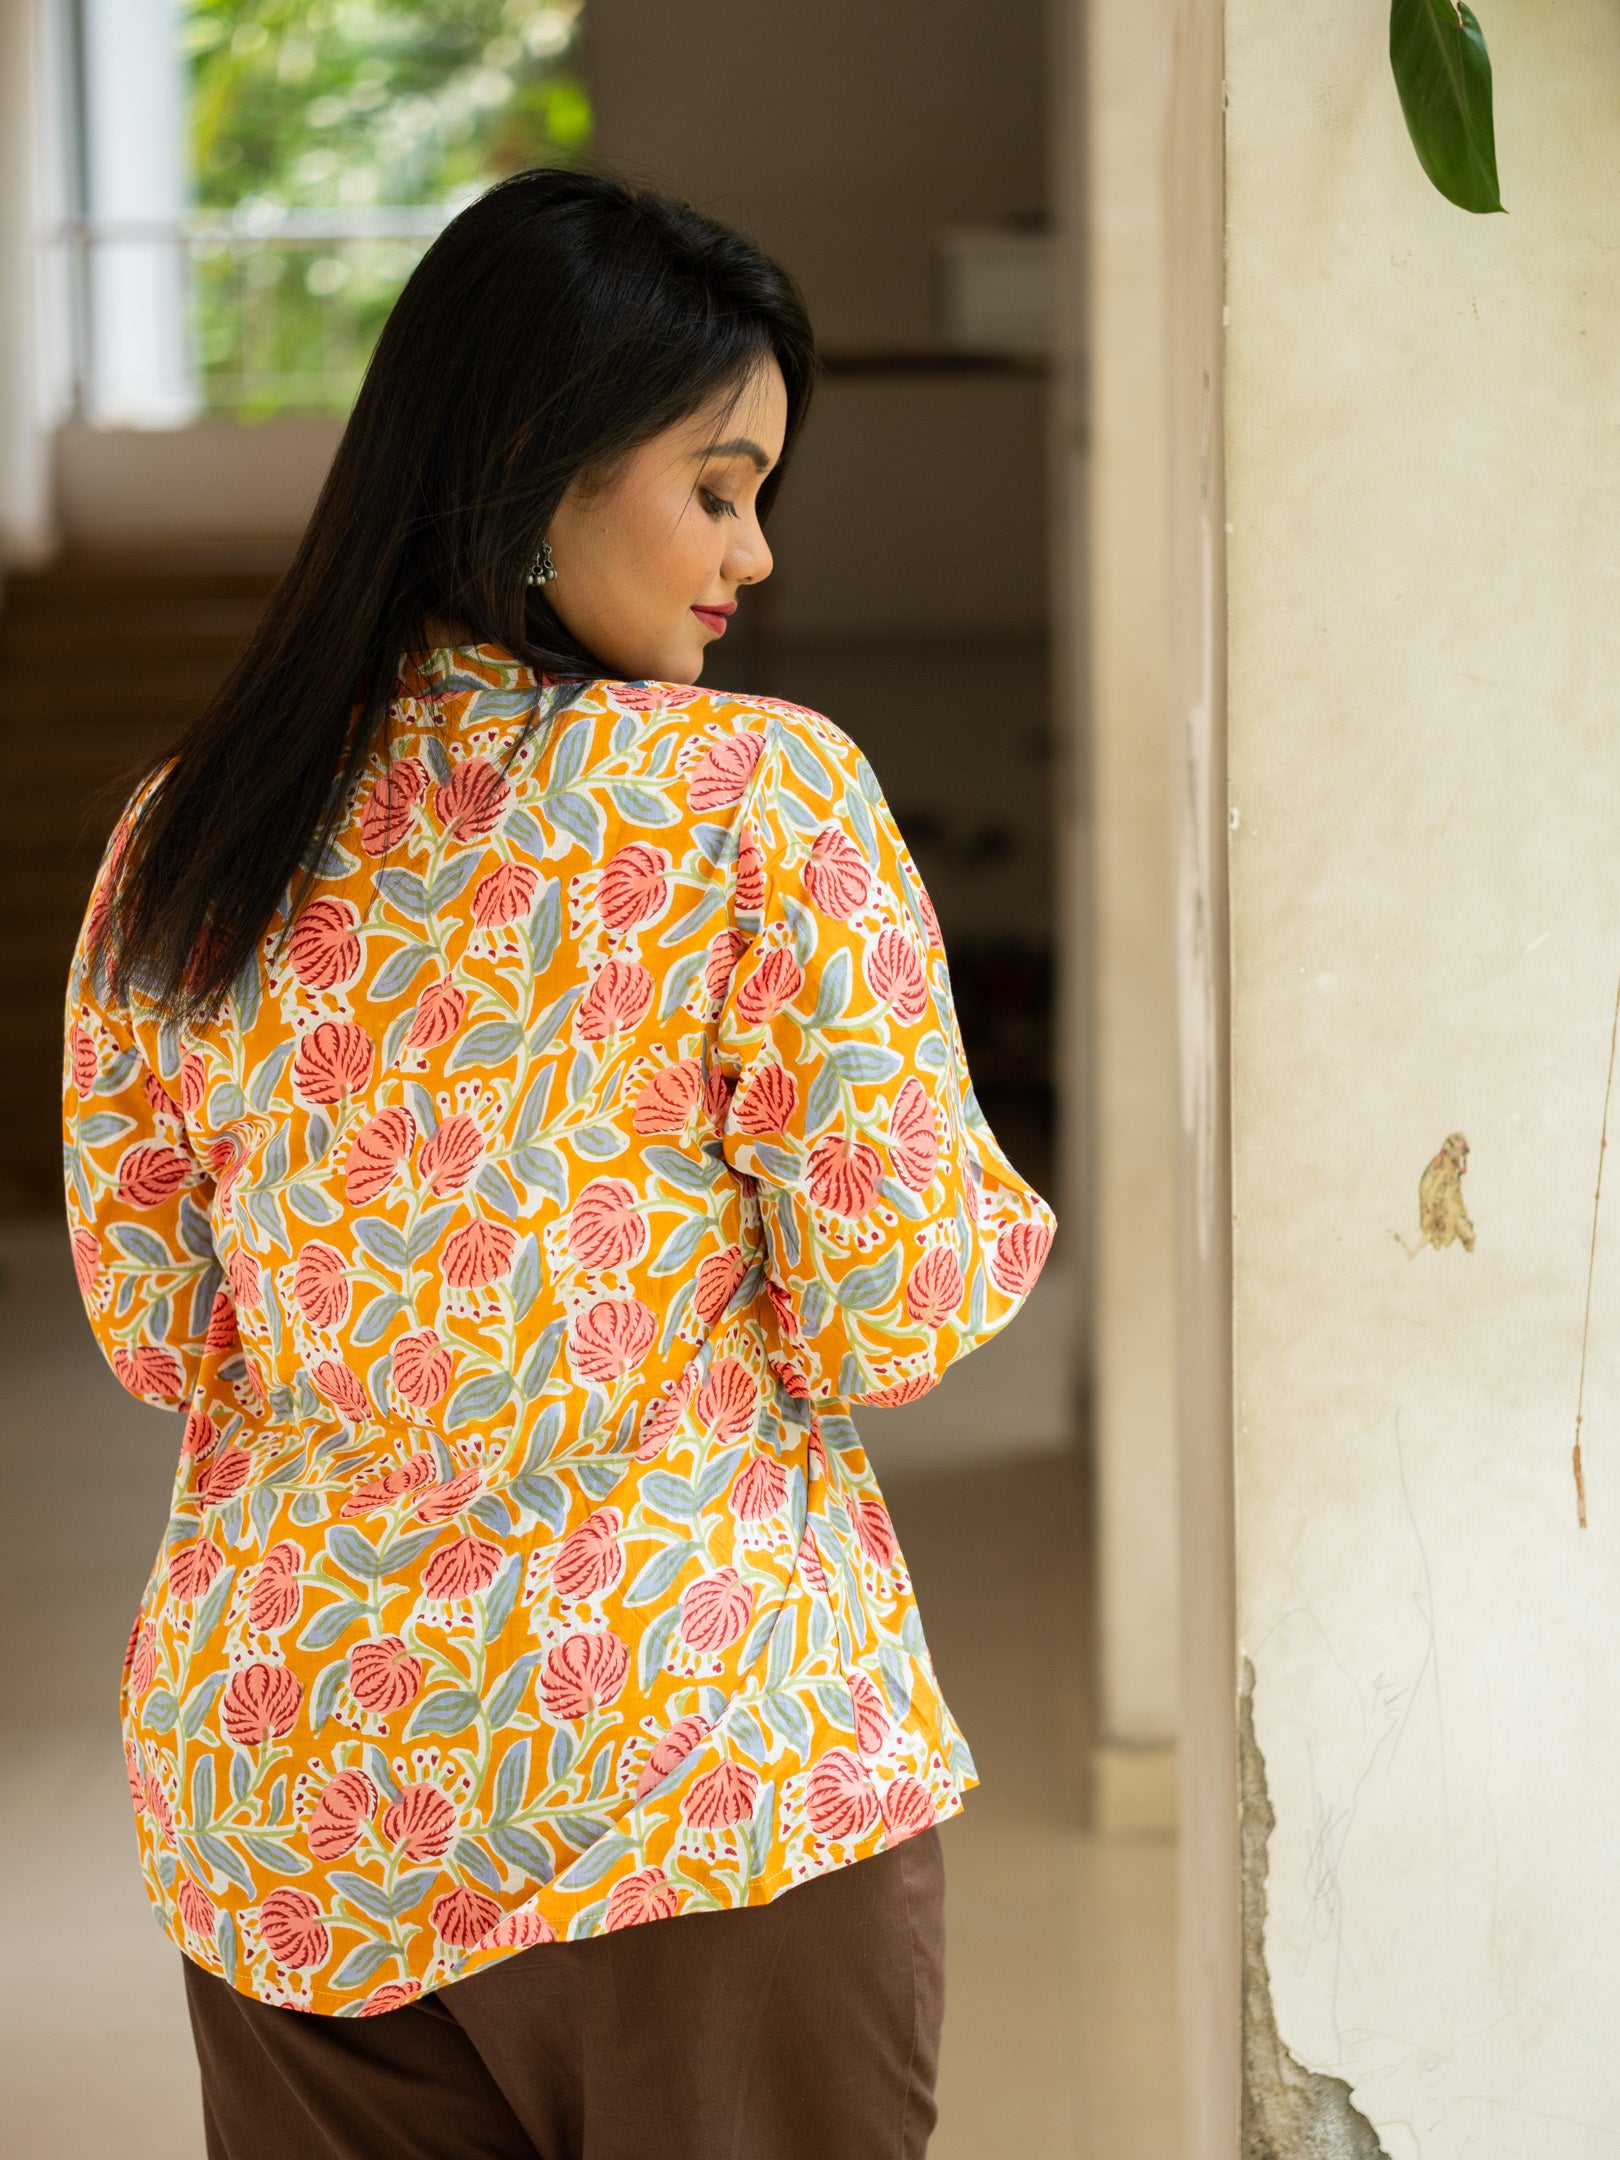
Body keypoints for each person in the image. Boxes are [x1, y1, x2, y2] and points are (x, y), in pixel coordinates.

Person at [62, 168, 1055, 2160]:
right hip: (692, 1772)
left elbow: (160, 1331)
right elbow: (895, 1307)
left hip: (302, 1802)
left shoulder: (189, 832)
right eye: (718, 485)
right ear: (534, 466)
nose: (753, 553)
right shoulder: (751, 801)